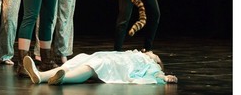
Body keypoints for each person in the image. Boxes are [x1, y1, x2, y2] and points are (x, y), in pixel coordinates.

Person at [23, 50, 178, 85]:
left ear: (157, 61)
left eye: (154, 54)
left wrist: (164, 76)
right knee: (79, 60)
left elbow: (156, 74)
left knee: (93, 66)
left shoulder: (150, 64)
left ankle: (63, 79)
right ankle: (40, 75)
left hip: (115, 65)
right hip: (108, 57)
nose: (149, 51)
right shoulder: (136, 53)